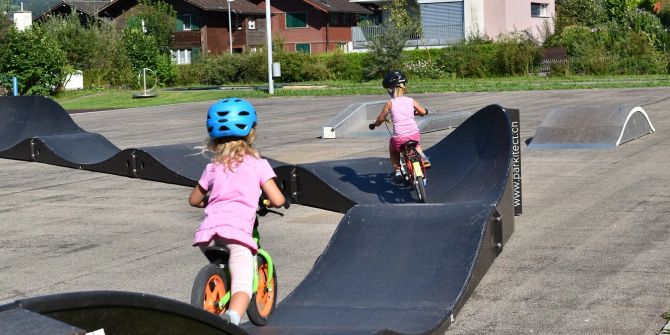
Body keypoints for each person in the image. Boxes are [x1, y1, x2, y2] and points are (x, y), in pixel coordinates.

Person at [189, 98, 285, 325]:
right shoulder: (258, 165)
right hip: (237, 234)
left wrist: (210, 203)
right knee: (243, 286)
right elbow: (278, 199)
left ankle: (220, 286)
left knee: (225, 264)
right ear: (251, 133)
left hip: (208, 236)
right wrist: (269, 203)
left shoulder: (211, 167)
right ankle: (232, 319)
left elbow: (194, 200)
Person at [369, 70, 431, 184]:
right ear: (404, 88)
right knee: (416, 144)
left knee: (393, 150)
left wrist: (375, 124)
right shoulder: (411, 100)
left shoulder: (390, 103)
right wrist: (424, 112)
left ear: (390, 90)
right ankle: (423, 158)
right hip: (414, 134)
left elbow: (381, 118)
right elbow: (422, 111)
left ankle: (397, 171)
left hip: (400, 138)